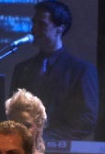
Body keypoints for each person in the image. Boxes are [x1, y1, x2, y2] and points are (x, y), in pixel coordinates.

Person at [10, 0, 99, 142]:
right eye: (34, 23)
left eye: (42, 24)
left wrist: (47, 137)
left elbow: (86, 120)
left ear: (60, 29)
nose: (34, 29)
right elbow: (13, 112)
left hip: (60, 149)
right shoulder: (22, 69)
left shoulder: (81, 71)